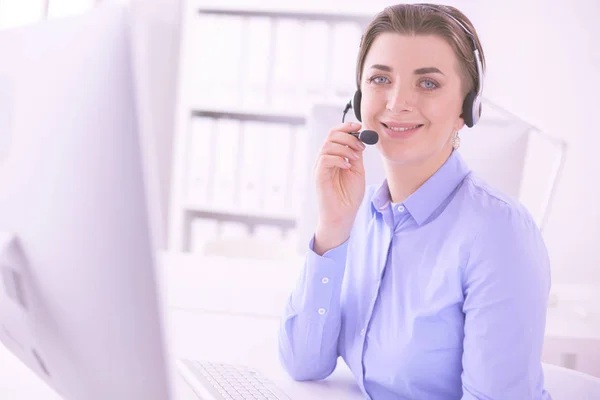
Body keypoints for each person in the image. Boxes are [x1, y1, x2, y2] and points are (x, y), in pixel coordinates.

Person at [278, 3, 553, 400]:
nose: (396, 102)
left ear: (467, 108)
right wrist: (332, 228)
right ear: (358, 99)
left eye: (427, 84)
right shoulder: (362, 217)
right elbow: (304, 362)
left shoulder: (500, 235)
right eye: (379, 79)